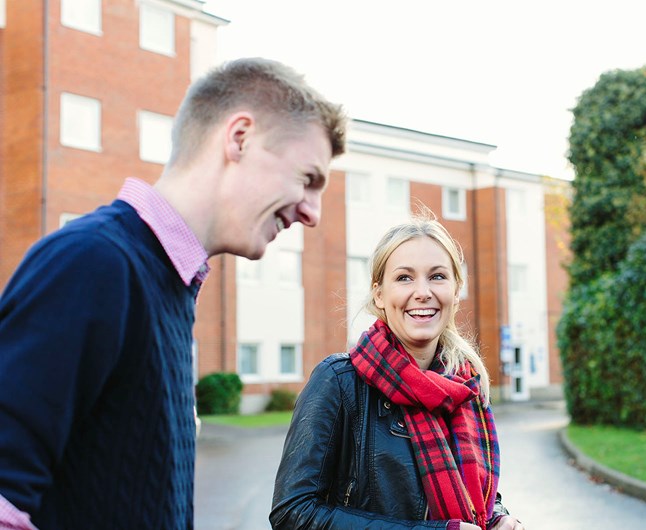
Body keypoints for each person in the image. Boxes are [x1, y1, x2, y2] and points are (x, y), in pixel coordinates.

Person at [0, 57, 347, 530]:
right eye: (308, 179)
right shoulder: (95, 262)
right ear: (239, 138)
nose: (313, 213)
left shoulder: (166, 283)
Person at [270, 214, 524, 530]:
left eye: (437, 276)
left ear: (456, 290)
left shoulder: (467, 387)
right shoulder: (338, 382)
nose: (422, 292)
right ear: (379, 294)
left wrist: (497, 517)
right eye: (404, 278)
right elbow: (292, 513)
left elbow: (475, 494)